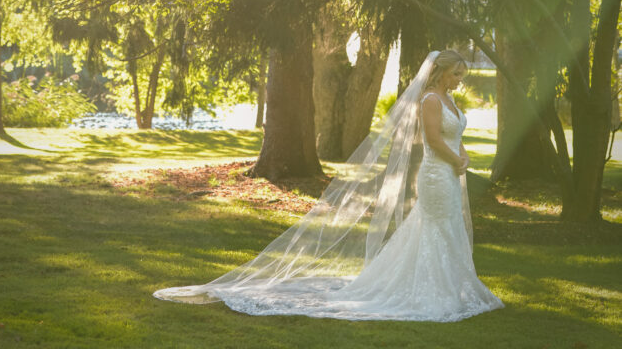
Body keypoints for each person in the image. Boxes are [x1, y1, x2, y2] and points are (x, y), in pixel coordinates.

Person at [153, 49, 504, 322]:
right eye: (457, 73)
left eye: (462, 74)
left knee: (447, 227)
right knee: (435, 227)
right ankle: (430, 291)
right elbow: (432, 139)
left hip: (448, 171)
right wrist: (454, 159)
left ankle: (449, 286)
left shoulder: (451, 101)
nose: (460, 79)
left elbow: (455, 134)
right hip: (434, 173)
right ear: (441, 72)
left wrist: (464, 156)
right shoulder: (429, 100)